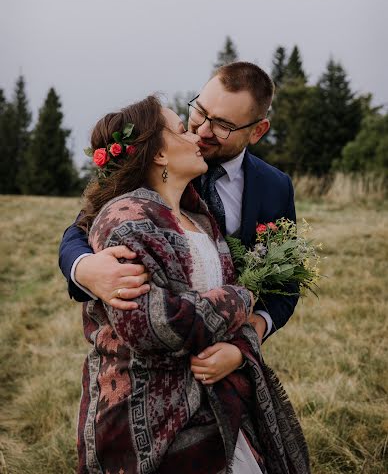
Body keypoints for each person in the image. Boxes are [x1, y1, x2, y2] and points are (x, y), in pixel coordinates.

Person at [75, 95, 310, 473]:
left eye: (220, 125)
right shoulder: (125, 216)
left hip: (219, 401)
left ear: (257, 129)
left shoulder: (202, 219)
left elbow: (274, 291)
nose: (199, 135)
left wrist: (238, 346)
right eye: (186, 126)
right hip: (149, 413)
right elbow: (152, 325)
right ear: (159, 155)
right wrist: (240, 297)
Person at [59, 62, 298, 350]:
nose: (202, 130)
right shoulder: (159, 164)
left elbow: (286, 280)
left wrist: (247, 341)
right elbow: (84, 227)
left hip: (226, 358)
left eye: (223, 125)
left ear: (257, 131)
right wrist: (84, 269)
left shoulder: (275, 187)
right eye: (199, 111)